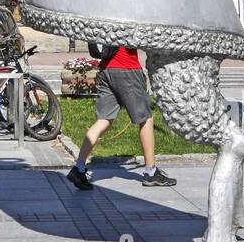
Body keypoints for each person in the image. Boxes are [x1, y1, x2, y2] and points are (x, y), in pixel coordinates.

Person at [67, 41, 177, 191]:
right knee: (145, 119)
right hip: (127, 68)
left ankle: (79, 168)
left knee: (103, 120)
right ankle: (151, 172)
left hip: (106, 70)